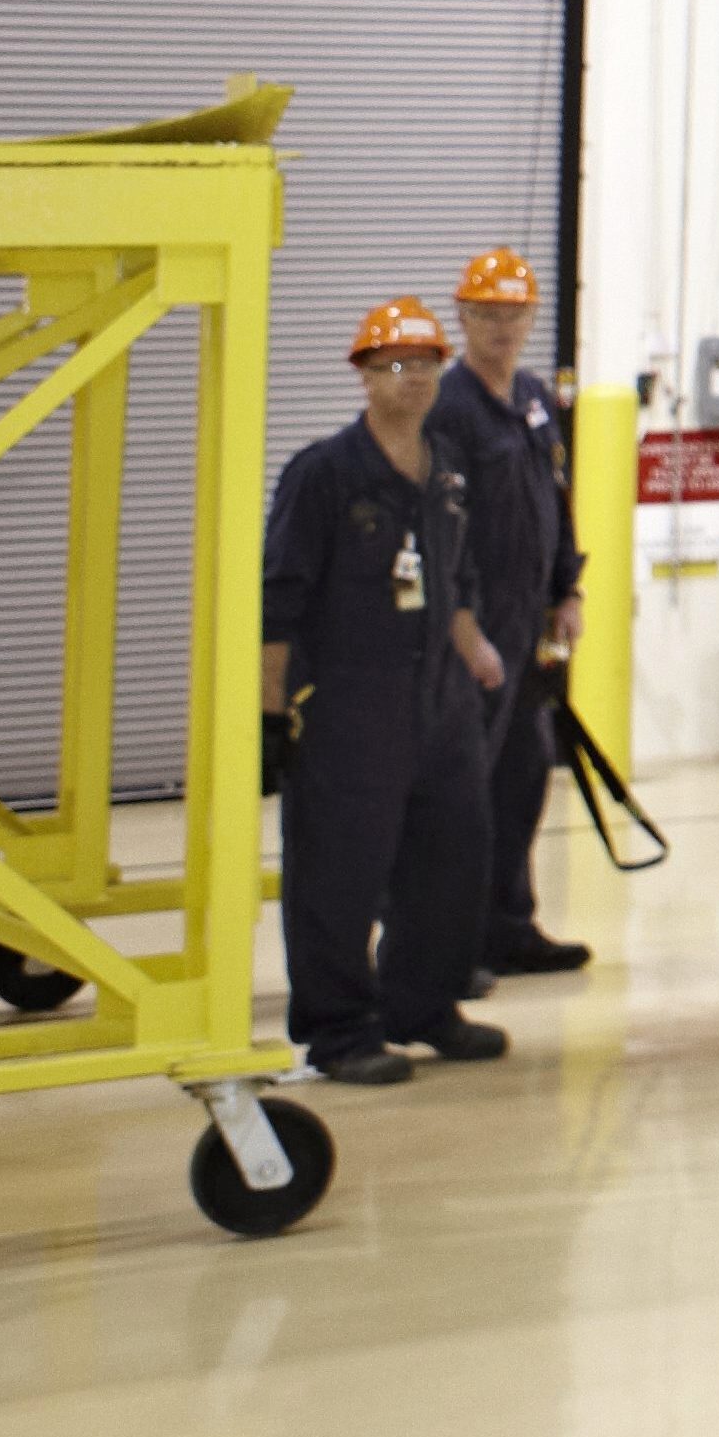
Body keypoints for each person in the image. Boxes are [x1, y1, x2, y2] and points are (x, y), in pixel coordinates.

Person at [261, 300, 512, 1084]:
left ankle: (424, 1006)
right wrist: (269, 712)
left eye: (424, 364)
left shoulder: (444, 470)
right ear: (364, 377)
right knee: (340, 871)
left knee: (452, 858)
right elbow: (278, 599)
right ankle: (340, 1030)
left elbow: (456, 580)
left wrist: (477, 652)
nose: (412, 380)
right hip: (350, 709)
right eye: (392, 366)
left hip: (440, 705)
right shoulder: (325, 473)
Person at [437, 247, 594, 984]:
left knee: (524, 773)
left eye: (514, 313)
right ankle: (442, 936)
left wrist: (569, 590)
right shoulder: (449, 408)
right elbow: (441, 525)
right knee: (461, 784)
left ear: (532, 317)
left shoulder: (533, 398)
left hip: (528, 620)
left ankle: (508, 923)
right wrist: (460, 624)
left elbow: (555, 499)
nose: (502, 327)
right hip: (473, 625)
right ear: (462, 316)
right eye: (487, 313)